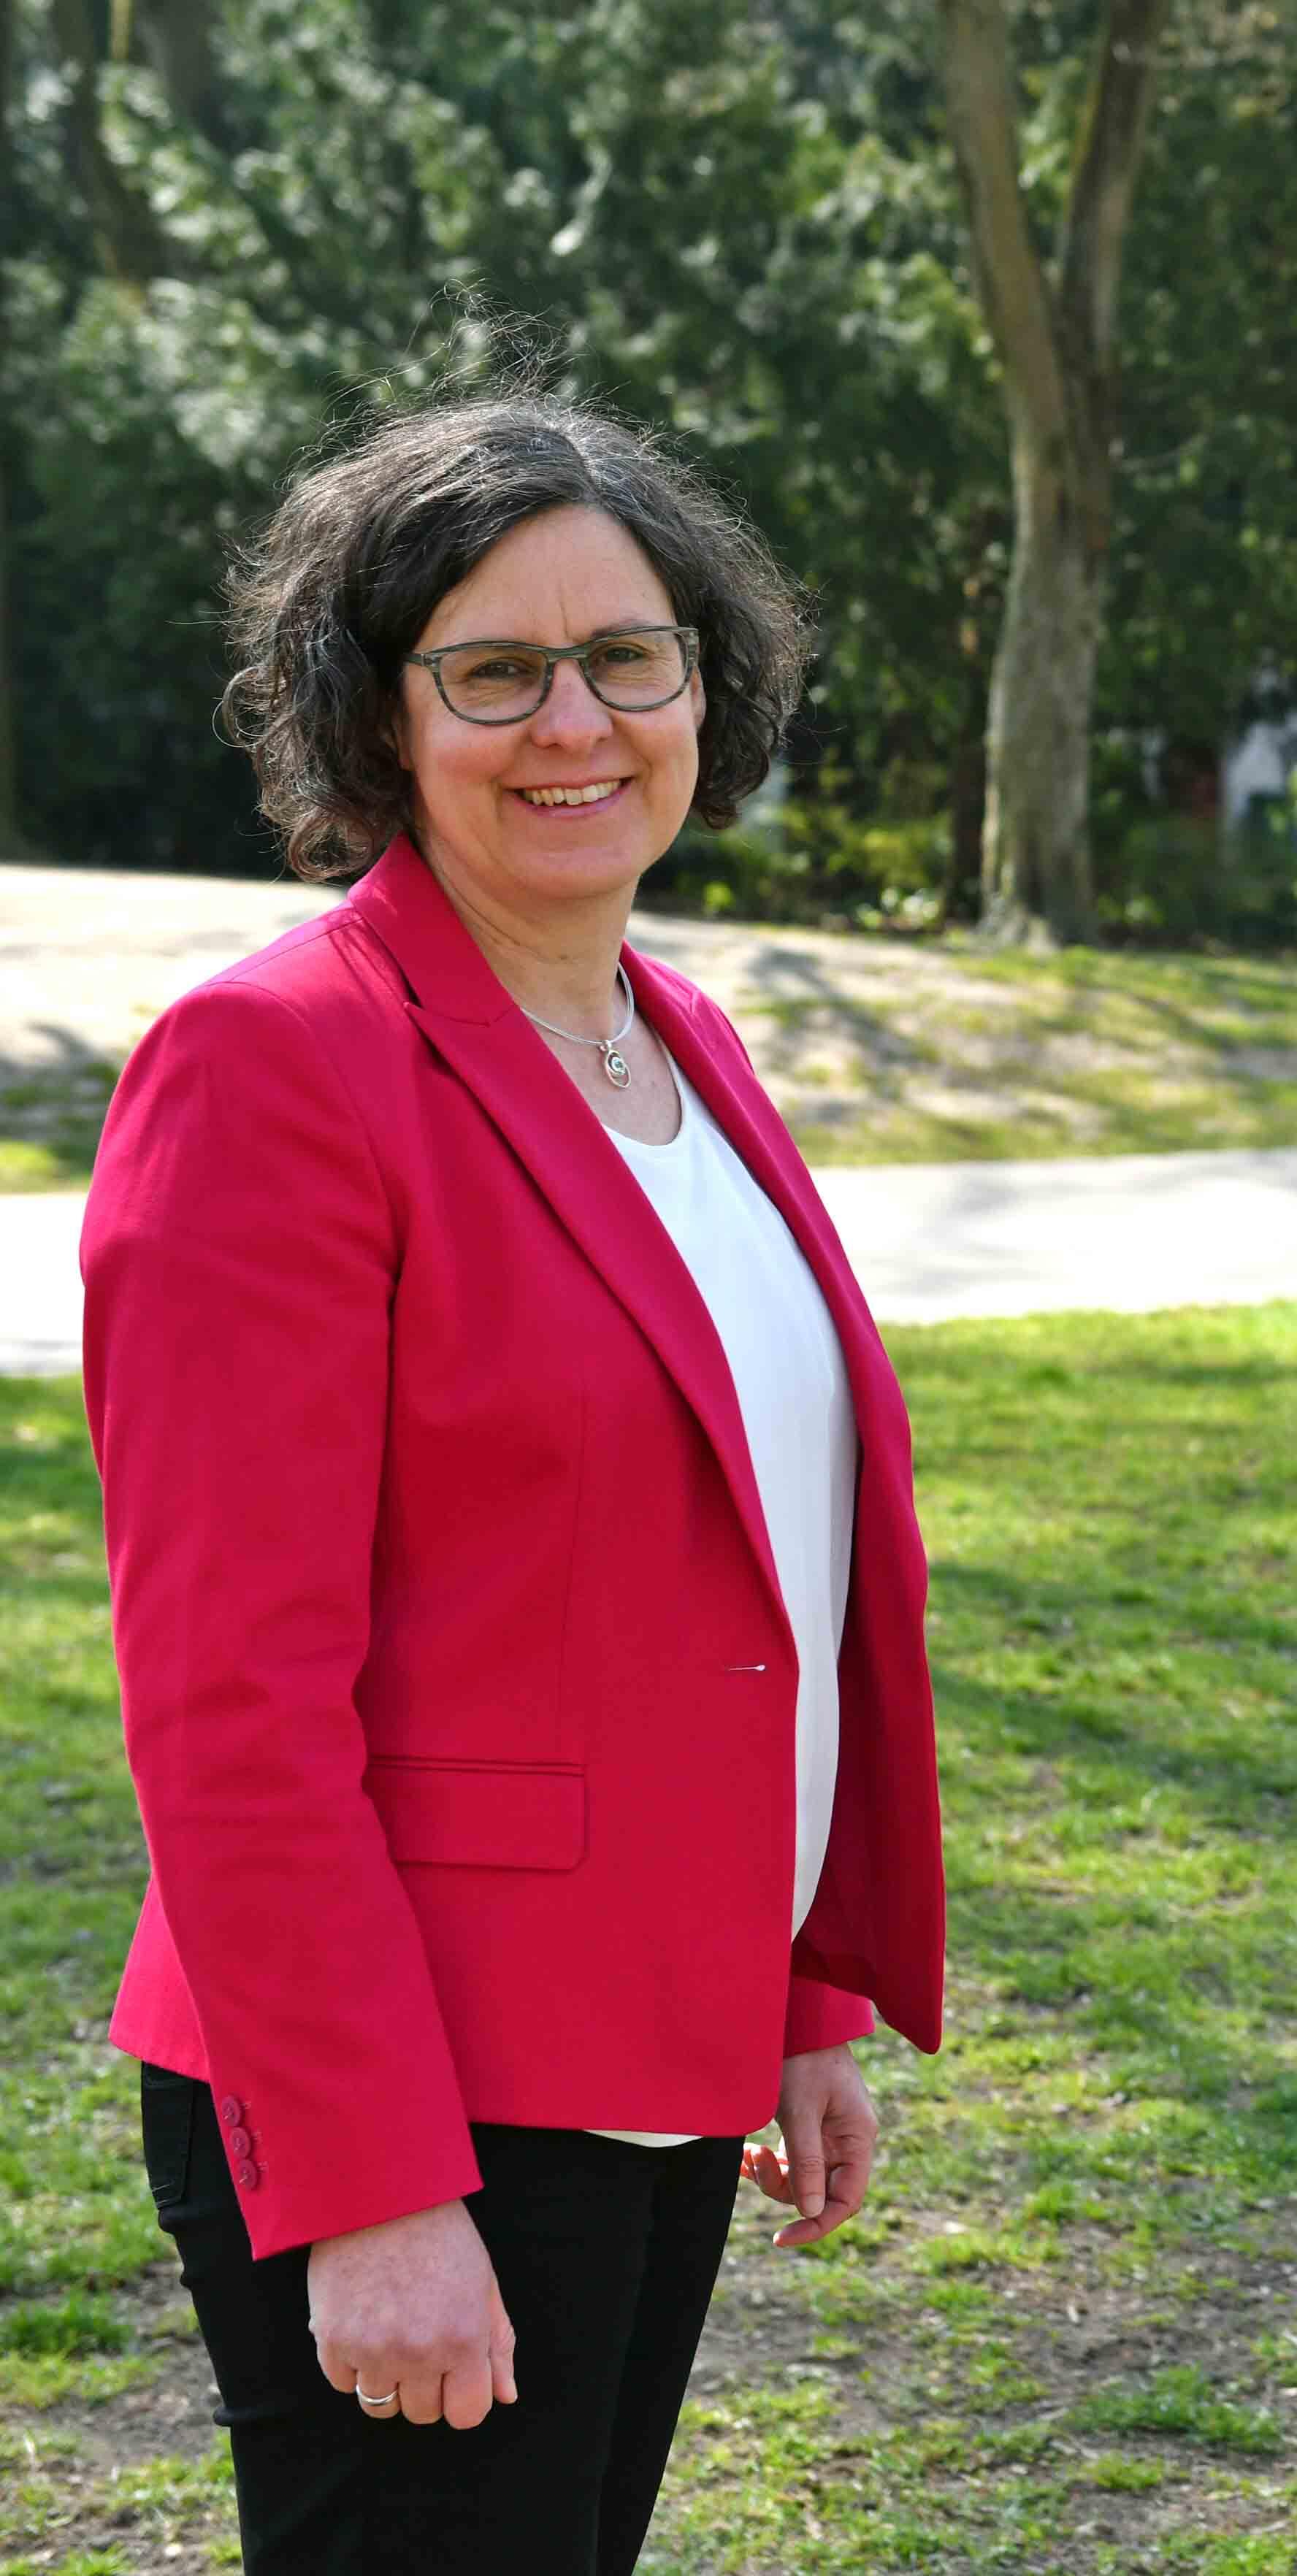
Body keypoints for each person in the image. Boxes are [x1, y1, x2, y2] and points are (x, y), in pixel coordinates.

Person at [84, 391, 947, 2573]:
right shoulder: (275, 1069)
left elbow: (737, 1567)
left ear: (705, 684)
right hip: (424, 2092)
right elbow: (227, 1703)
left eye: (628, 657)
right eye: (492, 670)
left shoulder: (688, 1042)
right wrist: (370, 2183)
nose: (575, 721)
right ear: (380, 715)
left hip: (655, 2036)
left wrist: (798, 1994)